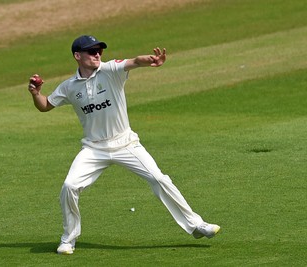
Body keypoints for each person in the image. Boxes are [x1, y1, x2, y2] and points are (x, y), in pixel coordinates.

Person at [28, 35, 220, 255]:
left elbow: (134, 61)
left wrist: (150, 60)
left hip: (126, 143)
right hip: (93, 149)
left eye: (99, 50)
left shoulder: (110, 70)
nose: (97, 54)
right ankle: (68, 239)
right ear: (77, 56)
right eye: (92, 51)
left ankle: (196, 225)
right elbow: (45, 106)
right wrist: (36, 94)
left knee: (158, 179)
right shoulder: (69, 87)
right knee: (69, 187)